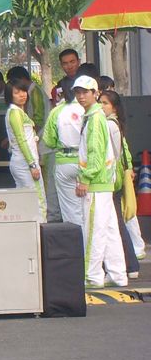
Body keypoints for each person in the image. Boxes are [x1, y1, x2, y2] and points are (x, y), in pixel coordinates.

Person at [72, 75, 127, 288]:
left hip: (95, 183)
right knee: (109, 230)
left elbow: (94, 153)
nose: (81, 96)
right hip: (103, 182)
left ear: (95, 93)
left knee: (93, 230)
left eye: (85, 92)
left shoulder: (94, 118)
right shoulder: (96, 117)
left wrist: (85, 179)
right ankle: (117, 274)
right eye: (78, 92)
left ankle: (92, 275)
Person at [99, 90, 144, 278]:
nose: (101, 106)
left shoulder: (109, 125)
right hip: (115, 177)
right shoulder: (115, 124)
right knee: (117, 222)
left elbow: (113, 155)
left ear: (114, 107)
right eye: (100, 102)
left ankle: (130, 265)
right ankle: (130, 265)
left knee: (115, 223)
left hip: (111, 180)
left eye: (105, 103)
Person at [42, 80, 87, 226]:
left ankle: (76, 243)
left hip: (64, 162)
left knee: (70, 209)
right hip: (85, 161)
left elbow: (48, 140)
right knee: (87, 206)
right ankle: (89, 242)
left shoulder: (56, 111)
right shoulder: (87, 109)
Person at [4, 76, 46, 220]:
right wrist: (32, 164)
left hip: (22, 162)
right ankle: (40, 236)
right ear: (10, 95)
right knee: (38, 201)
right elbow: (21, 140)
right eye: (16, 92)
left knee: (24, 202)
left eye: (23, 91)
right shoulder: (15, 112)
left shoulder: (16, 111)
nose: (22, 95)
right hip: (25, 163)